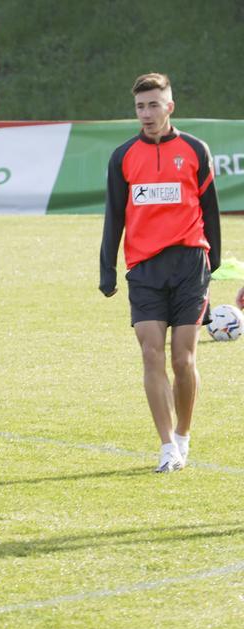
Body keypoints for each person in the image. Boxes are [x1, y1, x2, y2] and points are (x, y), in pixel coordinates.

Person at [100, 72, 220, 473]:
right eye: (140, 106)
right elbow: (114, 215)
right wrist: (108, 268)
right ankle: (167, 446)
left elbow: (211, 211)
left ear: (170, 106)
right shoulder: (123, 156)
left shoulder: (194, 149)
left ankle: (183, 434)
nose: (146, 113)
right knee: (151, 353)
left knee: (183, 360)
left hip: (189, 264)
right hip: (145, 268)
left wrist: (213, 265)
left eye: (154, 105)